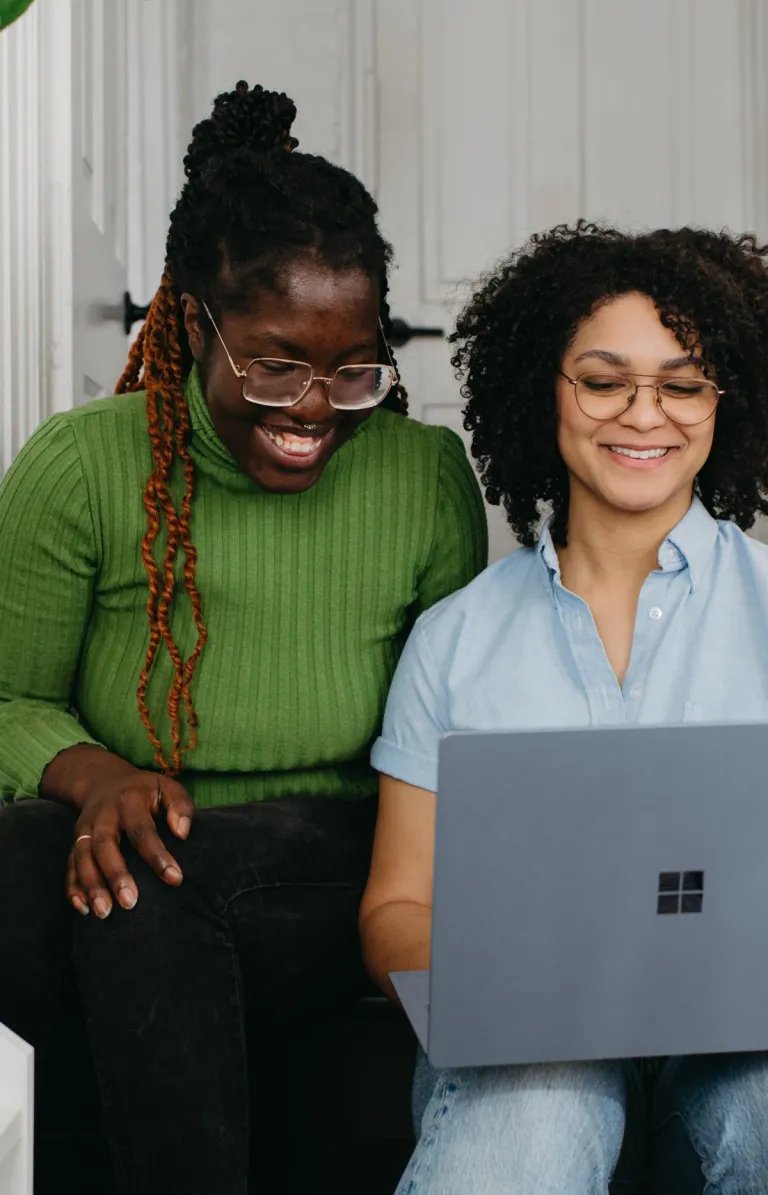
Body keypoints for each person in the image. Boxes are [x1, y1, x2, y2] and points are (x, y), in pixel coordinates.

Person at [0, 81, 487, 1195]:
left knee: (146, 881)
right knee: (51, 859)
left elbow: (456, 726)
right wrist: (100, 776)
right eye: (274, 364)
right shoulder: (81, 466)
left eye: (354, 369)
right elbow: (4, 699)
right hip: (130, 831)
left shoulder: (421, 477)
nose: (314, 407)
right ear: (189, 323)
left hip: (332, 852)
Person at [360, 222, 768, 1195]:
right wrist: (497, 986)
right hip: (527, 1043)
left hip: (740, 1035)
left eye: (683, 382)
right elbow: (394, 906)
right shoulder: (454, 640)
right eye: (604, 378)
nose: (645, 413)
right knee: (541, 1107)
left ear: (724, 402)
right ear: (546, 387)